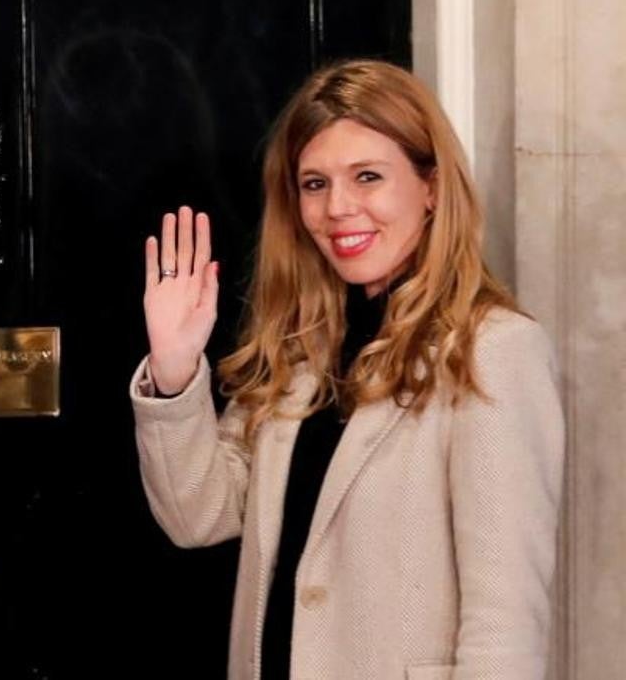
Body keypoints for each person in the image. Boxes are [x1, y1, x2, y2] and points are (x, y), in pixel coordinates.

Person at [130, 59, 563, 679]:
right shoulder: (302, 350)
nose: (338, 207)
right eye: (314, 184)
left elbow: (507, 623)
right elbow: (197, 517)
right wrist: (174, 374)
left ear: (432, 187)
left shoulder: (494, 349)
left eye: (367, 176)